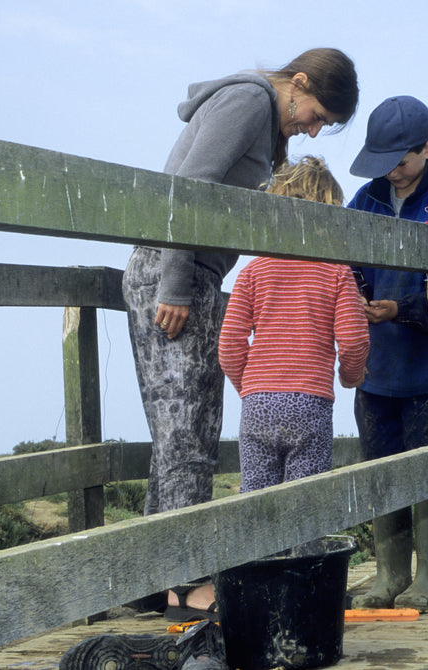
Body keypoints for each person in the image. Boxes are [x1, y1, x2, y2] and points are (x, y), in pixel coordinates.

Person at [122, 49, 359, 620]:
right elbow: (188, 187)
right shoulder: (251, 100)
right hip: (174, 273)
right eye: (318, 114)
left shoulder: (259, 112)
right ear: (297, 83)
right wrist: (176, 283)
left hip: (189, 272)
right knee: (189, 437)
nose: (314, 128)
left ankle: (155, 580)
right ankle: (185, 584)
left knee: (185, 433)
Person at [346, 96, 428, 614]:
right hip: (375, 369)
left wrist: (395, 309)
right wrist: (350, 299)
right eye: (385, 163)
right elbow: (346, 269)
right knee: (379, 469)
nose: (393, 173)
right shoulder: (364, 199)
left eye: (401, 161)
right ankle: (389, 573)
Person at [218, 156, 369, 492]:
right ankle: (303, 547)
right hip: (310, 402)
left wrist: (254, 386)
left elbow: (229, 346)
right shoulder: (336, 272)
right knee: (305, 502)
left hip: (257, 402)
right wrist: (350, 377)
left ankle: (262, 548)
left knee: (256, 501)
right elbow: (354, 341)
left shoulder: (252, 272)